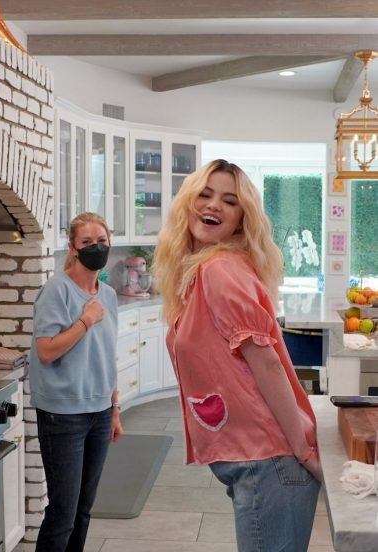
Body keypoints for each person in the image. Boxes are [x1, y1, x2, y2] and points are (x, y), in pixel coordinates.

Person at [152, 159, 322, 552]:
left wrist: (302, 450)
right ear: (188, 203)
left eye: (230, 201)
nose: (214, 205)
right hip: (258, 461)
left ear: (241, 219)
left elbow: (267, 364)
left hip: (270, 459)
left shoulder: (219, 271)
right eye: (205, 194)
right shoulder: (203, 273)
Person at [29, 212, 124, 552]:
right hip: (63, 415)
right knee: (63, 514)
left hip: (100, 412)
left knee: (83, 510)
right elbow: (45, 351)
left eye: (101, 241)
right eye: (87, 242)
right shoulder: (57, 290)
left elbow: (106, 356)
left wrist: (114, 409)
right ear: (72, 247)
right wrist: (85, 321)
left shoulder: (108, 295)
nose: (95, 247)